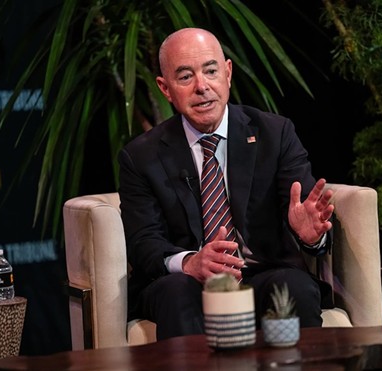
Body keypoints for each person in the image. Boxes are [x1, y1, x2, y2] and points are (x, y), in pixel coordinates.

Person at [118, 27, 335, 341]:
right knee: (175, 291)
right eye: (185, 77)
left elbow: (305, 212)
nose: (202, 87)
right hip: (188, 281)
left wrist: (309, 236)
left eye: (210, 71)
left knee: (295, 287)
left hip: (263, 271)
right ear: (165, 89)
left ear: (228, 73)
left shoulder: (275, 134)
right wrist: (191, 262)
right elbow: (143, 243)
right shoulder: (141, 157)